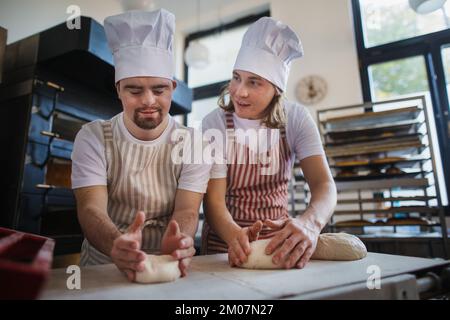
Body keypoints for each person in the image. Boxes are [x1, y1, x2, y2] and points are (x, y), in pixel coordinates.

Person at [71, 9, 210, 281]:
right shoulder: (93, 136)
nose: (148, 100)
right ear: (118, 88)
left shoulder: (194, 143)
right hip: (103, 266)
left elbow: (187, 209)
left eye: (159, 90)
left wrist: (179, 239)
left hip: (167, 263)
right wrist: (116, 245)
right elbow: (90, 208)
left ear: (172, 86)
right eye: (135, 90)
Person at [201, 16, 337, 269]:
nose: (239, 91)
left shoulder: (295, 118)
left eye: (254, 82)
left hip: (280, 242)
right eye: (236, 77)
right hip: (224, 244)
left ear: (276, 89)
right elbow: (214, 202)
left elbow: (324, 185)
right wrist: (235, 237)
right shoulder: (214, 123)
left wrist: (310, 223)